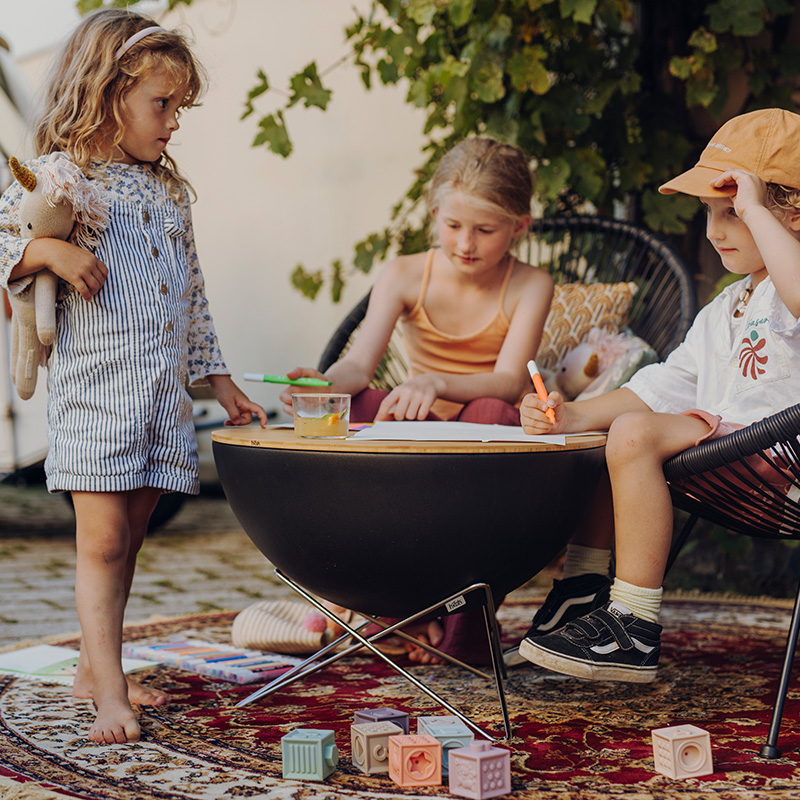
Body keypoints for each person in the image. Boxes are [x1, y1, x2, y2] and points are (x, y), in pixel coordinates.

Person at [0, 10, 267, 744]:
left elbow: (194, 295)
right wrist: (49, 257)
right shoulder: (64, 178)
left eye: (180, 107)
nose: (174, 122)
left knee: (135, 535)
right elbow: (2, 238)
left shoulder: (166, 194)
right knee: (104, 543)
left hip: (161, 403)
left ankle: (95, 663)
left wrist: (220, 380)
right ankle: (106, 691)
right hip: (97, 398)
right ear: (108, 94)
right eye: (163, 105)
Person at [510, 107, 800, 683]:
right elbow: (663, 385)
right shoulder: (727, 307)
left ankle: (634, 626)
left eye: (732, 214)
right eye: (711, 213)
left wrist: (757, 210)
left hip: (785, 462)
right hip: (737, 455)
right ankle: (584, 589)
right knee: (606, 429)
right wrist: (570, 412)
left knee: (636, 434)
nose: (715, 231)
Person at [282, 136, 555, 664]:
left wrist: (435, 382)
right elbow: (359, 366)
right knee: (357, 406)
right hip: (415, 438)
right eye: (452, 226)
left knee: (495, 416)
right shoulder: (406, 272)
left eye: (485, 230)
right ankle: (396, 601)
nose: (465, 244)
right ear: (434, 214)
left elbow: (508, 382)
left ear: (519, 226)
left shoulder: (530, 284)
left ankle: (465, 613)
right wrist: (324, 386)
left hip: (484, 440)